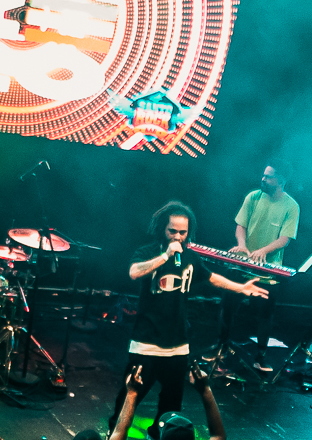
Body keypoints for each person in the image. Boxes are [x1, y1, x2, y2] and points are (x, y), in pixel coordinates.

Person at [117, 200, 269, 424]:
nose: (178, 237)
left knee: (172, 399)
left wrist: (240, 288)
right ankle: (115, 430)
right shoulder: (147, 252)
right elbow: (134, 272)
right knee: (132, 392)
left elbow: (211, 278)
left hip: (177, 343)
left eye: (183, 232)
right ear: (162, 229)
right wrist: (165, 256)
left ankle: (161, 433)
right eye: (172, 231)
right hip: (146, 340)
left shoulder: (190, 257)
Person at [230, 159, 301, 361]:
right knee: (229, 306)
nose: (263, 179)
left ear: (281, 181)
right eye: (263, 175)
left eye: (268, 177)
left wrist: (263, 251)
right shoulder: (253, 197)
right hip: (243, 263)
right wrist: (242, 245)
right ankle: (222, 349)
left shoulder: (291, 206)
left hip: (269, 269)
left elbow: (285, 239)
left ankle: (260, 357)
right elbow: (241, 225)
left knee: (265, 314)